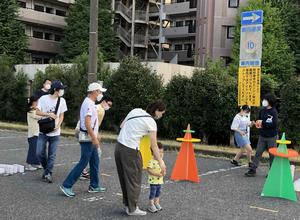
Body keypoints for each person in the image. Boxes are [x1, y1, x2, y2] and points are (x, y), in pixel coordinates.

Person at [115, 100, 167, 216]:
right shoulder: (151, 122)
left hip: (118, 147)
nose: (161, 115)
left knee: (124, 178)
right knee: (134, 179)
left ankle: (128, 205)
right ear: (156, 111)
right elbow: (153, 146)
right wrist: (161, 163)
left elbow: (122, 125)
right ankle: (133, 209)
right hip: (131, 150)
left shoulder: (135, 110)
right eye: (161, 113)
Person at [60, 82, 107, 197]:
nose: (101, 94)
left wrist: (95, 135)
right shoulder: (89, 104)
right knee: (84, 162)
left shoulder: (90, 103)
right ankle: (67, 185)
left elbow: (91, 122)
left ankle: (94, 185)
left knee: (95, 161)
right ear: (94, 92)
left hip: (89, 136)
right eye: (100, 91)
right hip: (87, 138)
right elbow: (87, 122)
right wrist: (94, 137)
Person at [36, 80, 68, 183]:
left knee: (52, 155)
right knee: (39, 152)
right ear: (55, 90)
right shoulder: (43, 99)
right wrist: (48, 114)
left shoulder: (62, 101)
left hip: (55, 132)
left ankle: (48, 173)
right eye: (61, 89)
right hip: (44, 131)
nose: (62, 91)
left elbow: (62, 115)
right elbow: (37, 111)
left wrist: (58, 125)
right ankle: (46, 170)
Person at [80, 96, 113, 180]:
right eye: (108, 104)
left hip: (91, 133)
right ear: (104, 101)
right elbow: (90, 122)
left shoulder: (101, 110)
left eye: (110, 105)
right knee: (94, 153)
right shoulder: (97, 108)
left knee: (92, 154)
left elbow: (96, 124)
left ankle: (87, 172)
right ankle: (84, 171)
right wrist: (95, 136)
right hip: (89, 134)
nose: (109, 106)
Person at [245, 93, 278, 177]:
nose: (264, 101)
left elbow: (274, 125)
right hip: (262, 136)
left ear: (270, 101)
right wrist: (257, 123)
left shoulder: (274, 112)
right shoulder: (262, 110)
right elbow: (259, 120)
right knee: (258, 152)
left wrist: (263, 123)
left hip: (272, 137)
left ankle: (272, 172)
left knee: (272, 155)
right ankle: (252, 170)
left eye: (266, 100)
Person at [25, 96, 42, 171]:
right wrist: (46, 114)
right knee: (32, 149)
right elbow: (38, 117)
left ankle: (36, 163)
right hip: (32, 134)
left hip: (37, 132)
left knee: (37, 149)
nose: (38, 103)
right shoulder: (31, 110)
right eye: (37, 101)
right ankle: (29, 165)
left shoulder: (35, 109)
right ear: (33, 102)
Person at [147, 142, 164, 213]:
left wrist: (164, 172)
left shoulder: (161, 162)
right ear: (153, 153)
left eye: (162, 152)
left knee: (158, 193)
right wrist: (157, 174)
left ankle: (156, 203)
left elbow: (164, 169)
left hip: (159, 181)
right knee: (153, 193)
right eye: (159, 152)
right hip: (153, 181)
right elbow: (149, 170)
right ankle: (151, 204)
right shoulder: (151, 161)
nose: (161, 154)